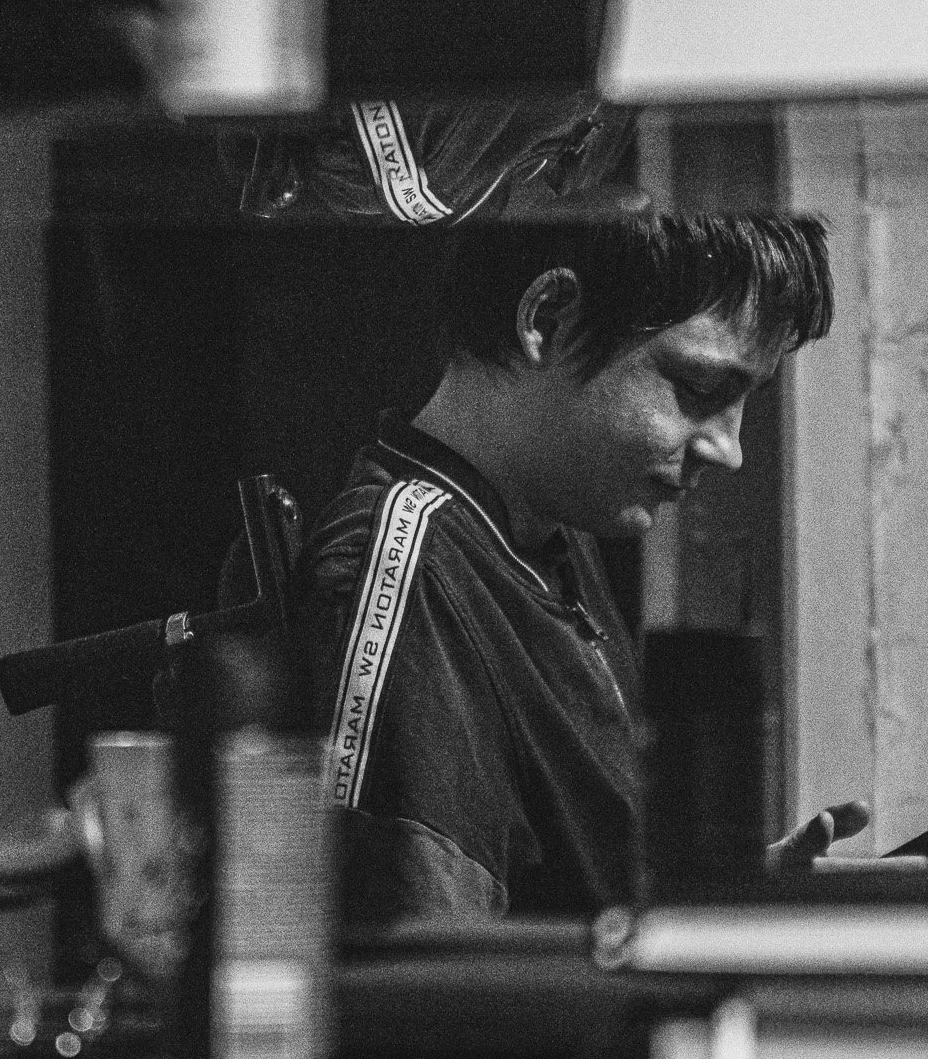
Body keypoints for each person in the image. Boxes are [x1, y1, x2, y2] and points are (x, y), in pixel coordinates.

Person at [296, 192, 860, 923]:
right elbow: (418, 963)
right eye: (698, 388)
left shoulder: (551, 535)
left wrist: (696, 905)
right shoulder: (408, 565)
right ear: (548, 320)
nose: (730, 449)